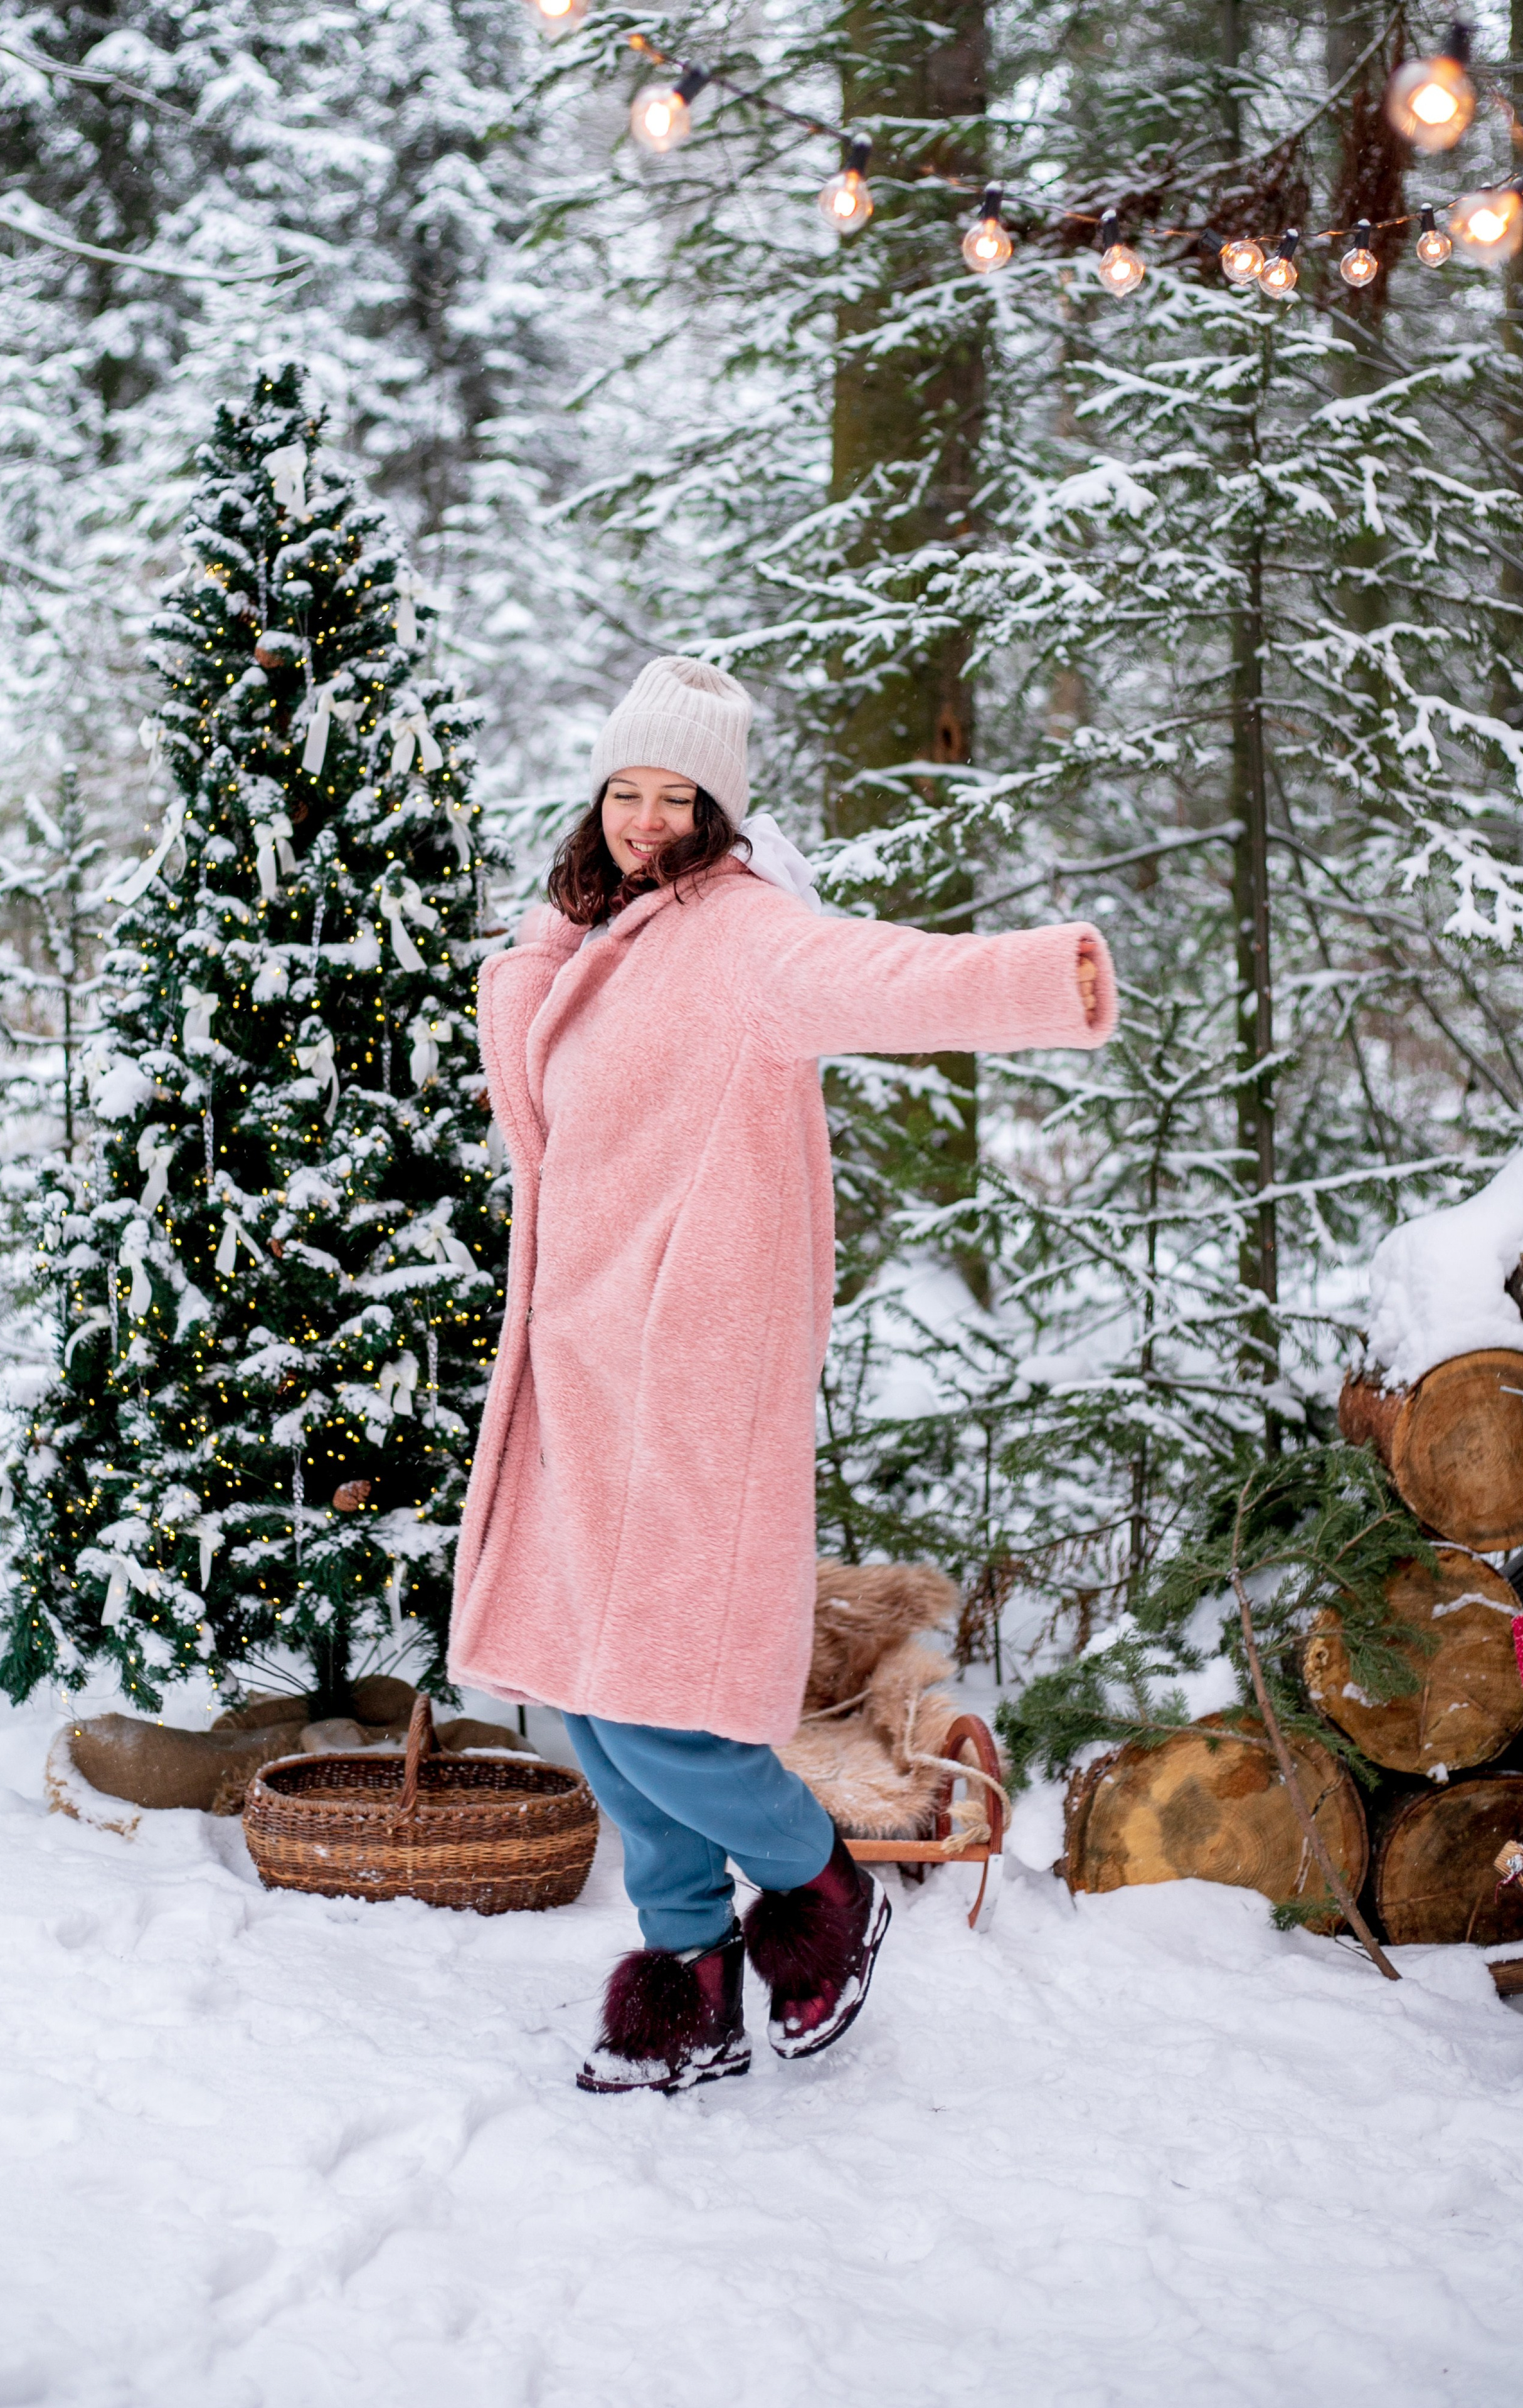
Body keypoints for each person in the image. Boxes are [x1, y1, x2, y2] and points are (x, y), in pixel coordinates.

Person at [448, 656, 1117, 2094]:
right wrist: (542, 950)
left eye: (671, 795)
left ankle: (819, 1884)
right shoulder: (596, 935)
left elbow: (881, 974)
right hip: (579, 1380)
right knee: (592, 1697)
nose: (640, 819)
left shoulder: (743, 936)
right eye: (620, 792)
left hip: (684, 1380)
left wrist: (1037, 979)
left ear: (717, 808)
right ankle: (687, 1976)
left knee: (650, 1706)